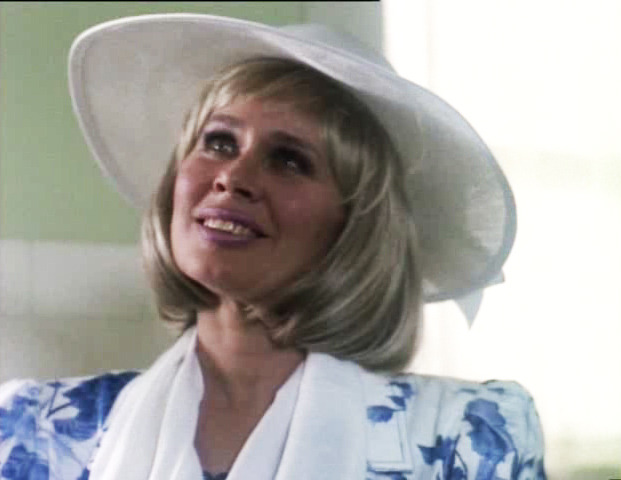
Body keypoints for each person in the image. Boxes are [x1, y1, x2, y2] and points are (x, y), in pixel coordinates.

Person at [0, 13, 546, 480]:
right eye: (219, 142)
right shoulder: (35, 428)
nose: (233, 177)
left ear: (354, 226)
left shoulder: (466, 438)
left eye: (289, 160)